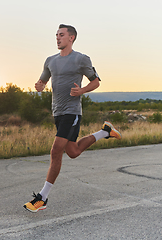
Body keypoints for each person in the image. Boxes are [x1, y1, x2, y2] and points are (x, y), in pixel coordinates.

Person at [23, 24, 122, 213]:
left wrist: (82, 91)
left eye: (61, 35)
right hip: (58, 112)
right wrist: (39, 86)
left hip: (72, 111)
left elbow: (96, 81)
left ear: (72, 38)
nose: (58, 38)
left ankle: (42, 198)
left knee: (55, 151)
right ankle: (105, 131)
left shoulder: (81, 59)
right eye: (56, 35)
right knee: (74, 151)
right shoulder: (50, 61)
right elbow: (42, 81)